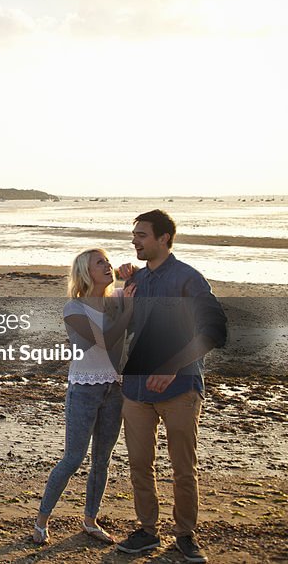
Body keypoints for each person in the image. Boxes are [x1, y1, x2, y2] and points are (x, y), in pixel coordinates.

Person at [114, 210, 227, 563]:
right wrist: (122, 300)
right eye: (134, 234)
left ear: (164, 238)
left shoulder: (189, 280)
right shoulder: (136, 281)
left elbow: (215, 332)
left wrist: (172, 366)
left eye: (142, 235)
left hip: (181, 390)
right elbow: (124, 332)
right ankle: (147, 530)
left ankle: (185, 535)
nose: (135, 240)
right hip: (135, 391)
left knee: (183, 468)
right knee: (139, 464)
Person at [33, 248, 135, 545]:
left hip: (115, 388)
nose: (107, 265)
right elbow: (103, 341)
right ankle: (41, 521)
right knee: (73, 459)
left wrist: (133, 275)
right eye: (99, 262)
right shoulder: (74, 309)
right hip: (85, 389)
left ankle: (90, 520)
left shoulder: (117, 300)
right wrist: (127, 310)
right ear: (85, 272)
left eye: (108, 261)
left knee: (102, 459)